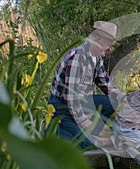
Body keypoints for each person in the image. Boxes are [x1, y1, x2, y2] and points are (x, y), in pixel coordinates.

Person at [47, 21, 124, 149]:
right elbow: (71, 97)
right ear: (98, 40)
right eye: (108, 43)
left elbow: (105, 84)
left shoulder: (97, 57)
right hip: (61, 106)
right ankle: (82, 135)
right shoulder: (77, 57)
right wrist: (84, 121)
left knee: (111, 102)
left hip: (81, 101)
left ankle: (92, 134)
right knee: (86, 145)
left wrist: (127, 99)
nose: (110, 48)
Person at [93, 76, 140, 157]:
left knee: (126, 136)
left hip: (116, 124)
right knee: (139, 137)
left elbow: (128, 101)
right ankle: (113, 143)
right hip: (125, 127)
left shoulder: (134, 94)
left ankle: (110, 141)